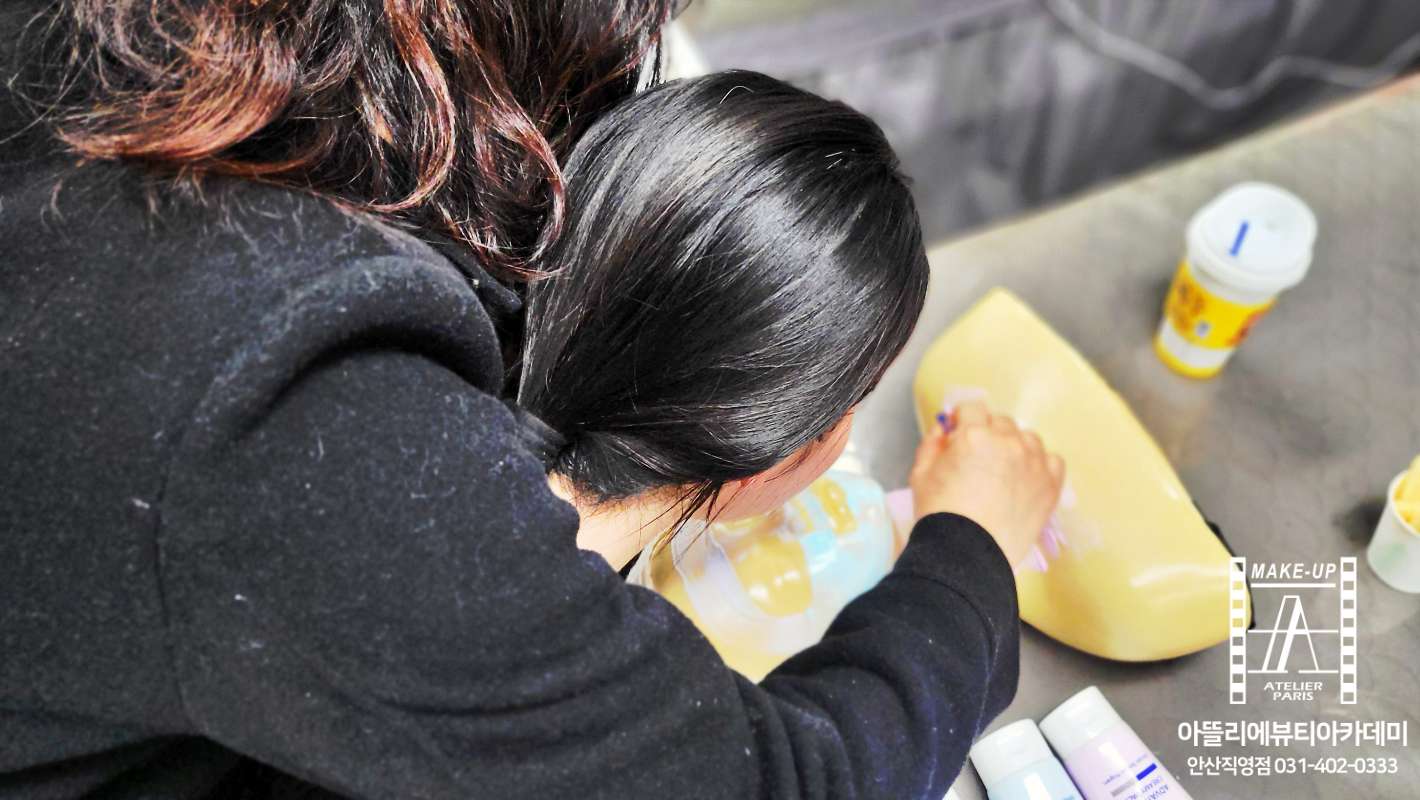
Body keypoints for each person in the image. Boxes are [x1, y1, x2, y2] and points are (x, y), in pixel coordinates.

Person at [0, 6, 1061, 800]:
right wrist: (971, 547)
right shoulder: (326, 443)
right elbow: (796, 781)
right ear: (789, 453)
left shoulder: (129, 69)